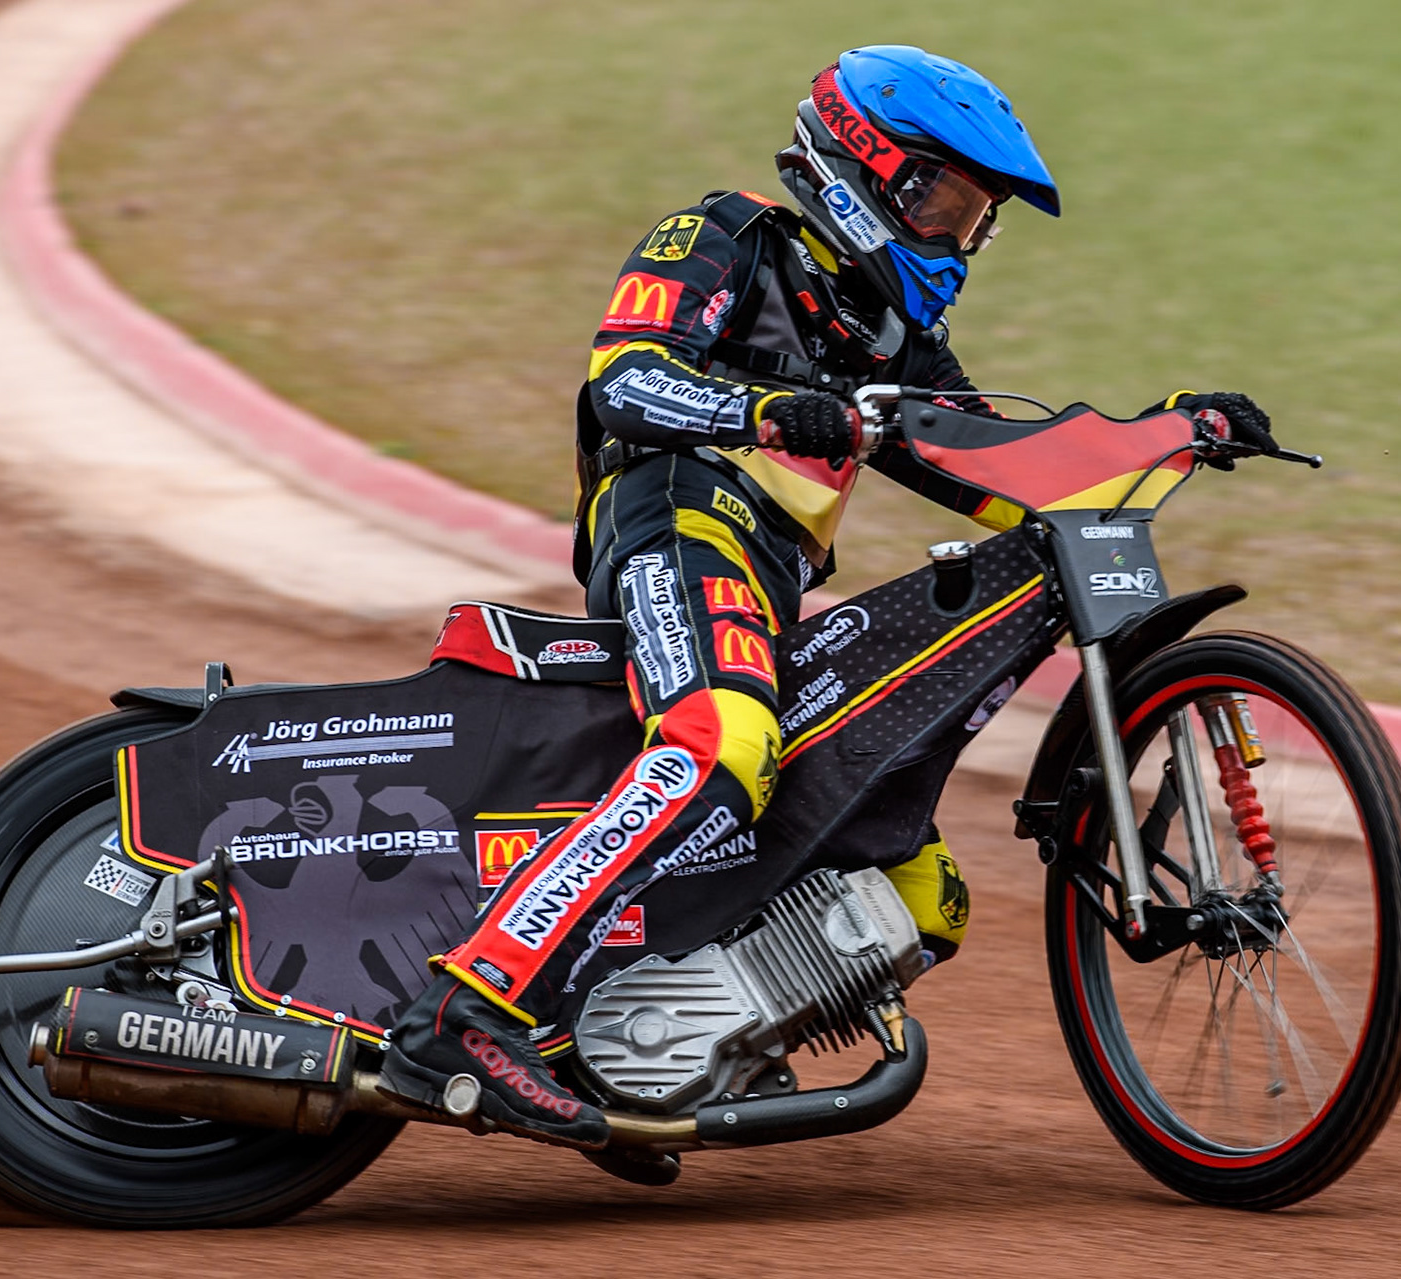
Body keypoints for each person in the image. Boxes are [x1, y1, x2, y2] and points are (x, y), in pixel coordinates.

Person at [379, 45, 1275, 1151]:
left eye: (976, 216)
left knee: (916, 882)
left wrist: (1172, 426)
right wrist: (769, 412)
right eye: (944, 200)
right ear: (864, 168)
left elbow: (997, 467)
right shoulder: (723, 233)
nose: (959, 235)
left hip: (767, 583)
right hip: (677, 523)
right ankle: (464, 1011)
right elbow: (625, 379)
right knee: (721, 741)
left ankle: (648, 1057)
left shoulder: (895, 334)